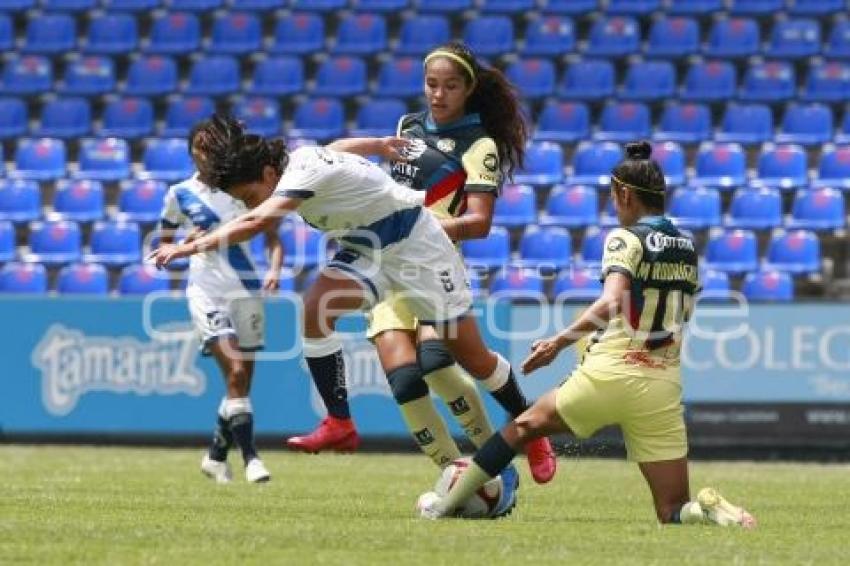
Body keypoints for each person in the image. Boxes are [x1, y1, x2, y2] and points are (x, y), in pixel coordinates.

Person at [148, 115, 553, 511]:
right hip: (367, 249)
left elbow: (256, 221)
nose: (252, 203)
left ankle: (529, 426)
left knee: (474, 358)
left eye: (251, 194)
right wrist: (377, 145)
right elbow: (338, 148)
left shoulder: (298, 175)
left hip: (417, 246)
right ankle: (339, 424)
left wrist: (188, 248)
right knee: (313, 311)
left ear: (270, 173)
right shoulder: (302, 160)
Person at [417, 142, 756, 527]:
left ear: (625, 193)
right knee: (672, 509)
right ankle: (708, 510)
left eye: (614, 196)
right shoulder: (687, 246)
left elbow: (612, 300)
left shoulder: (625, 238)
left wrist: (556, 342)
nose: (614, 204)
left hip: (613, 370)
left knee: (522, 428)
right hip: (662, 383)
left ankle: (442, 508)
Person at [286, 41, 555, 484]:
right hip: (385, 258)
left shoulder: (479, 144)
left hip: (432, 261)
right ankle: (469, 482)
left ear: (468, 89)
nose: (438, 94)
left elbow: (479, 223)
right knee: (406, 383)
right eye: (432, 84)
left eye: (450, 86)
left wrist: (422, 229)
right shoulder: (407, 127)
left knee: (441, 359)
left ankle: (529, 429)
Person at [157, 116, 282, 484]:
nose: (205, 154)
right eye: (199, 148)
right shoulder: (179, 194)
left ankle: (215, 457)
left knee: (240, 383)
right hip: (206, 290)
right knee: (238, 372)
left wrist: (275, 268)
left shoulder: (239, 188)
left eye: (211, 146)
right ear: (191, 152)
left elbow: (272, 236)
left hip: (246, 289)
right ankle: (252, 459)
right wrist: (182, 244)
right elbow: (160, 244)